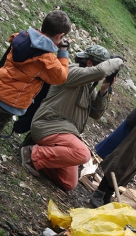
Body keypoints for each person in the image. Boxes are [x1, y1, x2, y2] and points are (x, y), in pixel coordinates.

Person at [20, 45, 124, 191]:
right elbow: (100, 71)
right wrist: (118, 61)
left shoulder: (88, 85)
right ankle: (32, 154)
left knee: (68, 183)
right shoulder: (71, 72)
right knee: (83, 153)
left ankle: (42, 153)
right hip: (48, 125)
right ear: (89, 63)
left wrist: (104, 90)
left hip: (64, 132)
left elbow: (96, 114)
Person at [0, 10, 71, 135]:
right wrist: (63, 51)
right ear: (60, 36)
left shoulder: (22, 36)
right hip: (10, 101)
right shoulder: (46, 59)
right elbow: (61, 77)